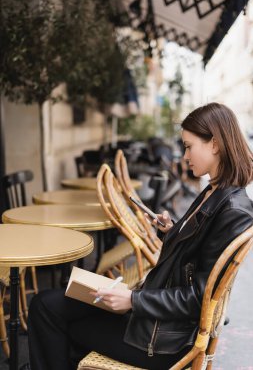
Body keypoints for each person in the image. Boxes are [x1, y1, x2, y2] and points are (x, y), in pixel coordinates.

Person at [27, 103, 253, 370]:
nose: (184, 155)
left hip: (162, 341)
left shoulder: (232, 210)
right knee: (47, 304)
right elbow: (194, 255)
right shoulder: (216, 192)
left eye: (189, 146)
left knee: (50, 315)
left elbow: (200, 297)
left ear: (214, 144)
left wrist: (133, 301)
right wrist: (171, 230)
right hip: (155, 319)